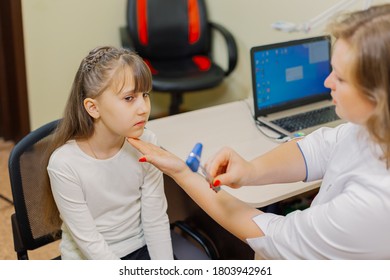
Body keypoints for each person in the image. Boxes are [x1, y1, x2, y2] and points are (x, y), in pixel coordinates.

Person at [127, 4, 390, 259]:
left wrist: (182, 173)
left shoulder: (374, 203)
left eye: (341, 78)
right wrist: (251, 171)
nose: (327, 82)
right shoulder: (370, 128)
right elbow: (318, 149)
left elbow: (270, 236)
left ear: (379, 96)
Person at [43, 46, 173, 260]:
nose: (143, 108)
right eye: (129, 98)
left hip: (138, 248)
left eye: (145, 95)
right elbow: (91, 245)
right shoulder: (64, 164)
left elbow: (156, 220)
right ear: (93, 108)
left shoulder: (147, 142)